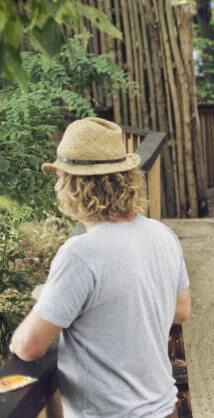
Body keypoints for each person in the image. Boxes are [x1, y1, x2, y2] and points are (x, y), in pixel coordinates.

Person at [10, 117, 191, 418]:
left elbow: (28, 346)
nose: (56, 185)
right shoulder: (161, 234)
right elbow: (181, 310)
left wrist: (51, 300)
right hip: (163, 409)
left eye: (60, 177)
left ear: (77, 186)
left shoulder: (80, 253)